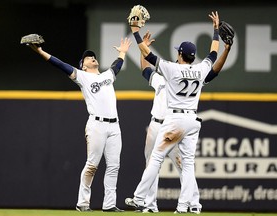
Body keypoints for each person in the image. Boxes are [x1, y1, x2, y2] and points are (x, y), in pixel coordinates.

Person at [125, 11, 220, 213]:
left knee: (156, 159)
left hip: (175, 119)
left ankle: (139, 198)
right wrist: (216, 31)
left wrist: (135, 31)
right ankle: (184, 207)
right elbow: (213, 54)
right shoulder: (201, 69)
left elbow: (147, 55)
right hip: (193, 121)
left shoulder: (172, 70)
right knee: (187, 165)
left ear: (180, 54)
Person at [26, 37, 132, 212]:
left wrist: (123, 52)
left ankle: (109, 204)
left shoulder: (107, 76)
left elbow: (117, 65)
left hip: (115, 126)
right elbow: (60, 64)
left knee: (114, 165)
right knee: (92, 165)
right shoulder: (81, 76)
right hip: (97, 125)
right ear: (83, 65)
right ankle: (83, 203)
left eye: (93, 56)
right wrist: (39, 51)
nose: (92, 58)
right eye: (88, 57)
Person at [139, 31, 232, 214]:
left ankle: (193, 203)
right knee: (162, 165)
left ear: (179, 56)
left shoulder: (171, 71)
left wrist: (144, 48)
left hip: (172, 124)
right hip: (160, 124)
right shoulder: (164, 76)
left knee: (180, 166)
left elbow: (149, 64)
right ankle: (149, 206)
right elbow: (145, 70)